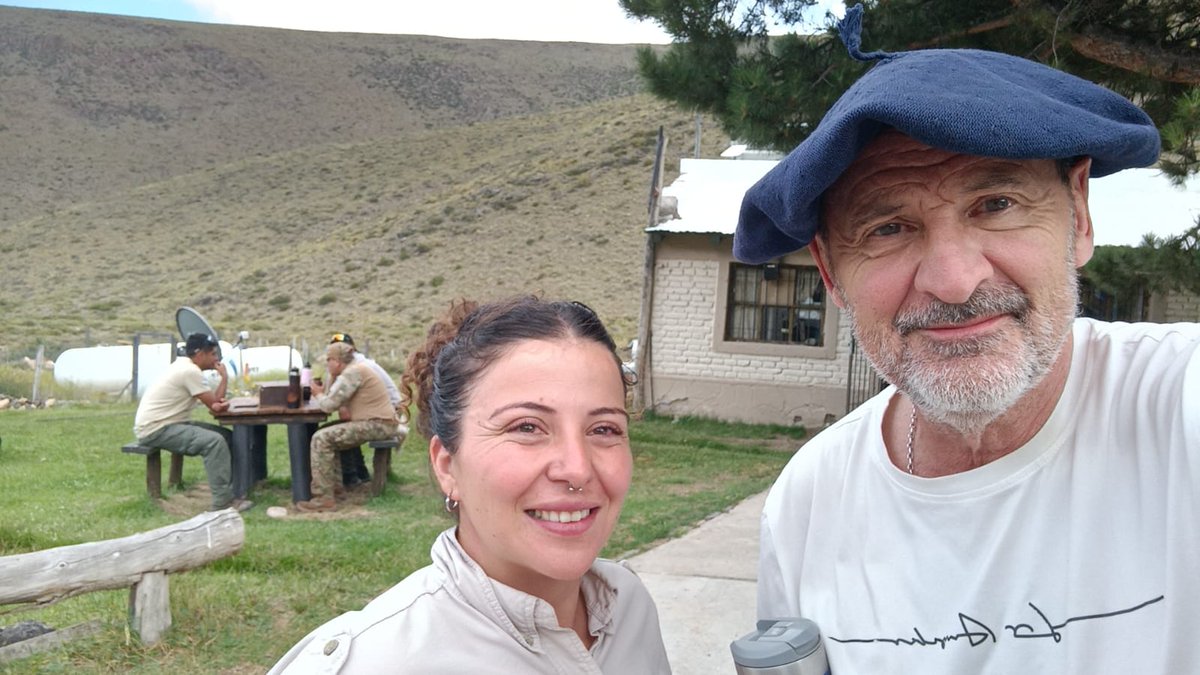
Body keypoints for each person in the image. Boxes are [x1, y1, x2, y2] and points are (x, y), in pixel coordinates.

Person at [738, 6, 1199, 674]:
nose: (954, 281)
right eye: (889, 228)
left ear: (1078, 214)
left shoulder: (1176, 409)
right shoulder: (809, 502)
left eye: (996, 205)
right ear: (832, 273)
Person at [269, 297, 671, 673]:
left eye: (604, 429)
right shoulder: (374, 660)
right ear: (447, 466)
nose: (578, 468)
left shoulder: (630, 607)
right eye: (527, 427)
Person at [133, 332, 252, 512]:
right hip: (156, 429)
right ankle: (222, 504)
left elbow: (214, 402)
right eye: (212, 354)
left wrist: (223, 382)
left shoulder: (184, 365)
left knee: (227, 436)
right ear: (200, 354)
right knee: (214, 442)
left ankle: (234, 488)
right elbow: (215, 406)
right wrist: (224, 381)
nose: (216, 358)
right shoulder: (190, 371)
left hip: (170, 423)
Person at [295, 341, 402, 512]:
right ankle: (335, 490)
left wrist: (317, 393)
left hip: (378, 424)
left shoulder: (353, 372)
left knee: (321, 438)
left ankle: (323, 498)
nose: (326, 365)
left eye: (328, 361)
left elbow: (328, 405)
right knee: (327, 434)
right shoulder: (354, 370)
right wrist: (328, 383)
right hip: (378, 422)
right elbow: (336, 399)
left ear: (337, 361)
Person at [328, 332, 402, 487]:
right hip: (377, 412)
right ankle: (357, 474)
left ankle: (351, 476)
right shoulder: (348, 367)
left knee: (342, 428)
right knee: (343, 426)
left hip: (388, 412)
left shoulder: (360, 367)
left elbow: (335, 401)